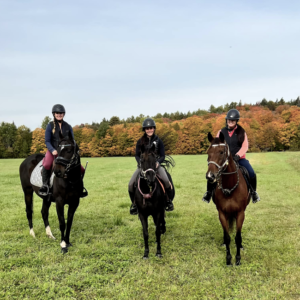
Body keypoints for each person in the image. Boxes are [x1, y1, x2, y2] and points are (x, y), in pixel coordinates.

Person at [202, 108, 260, 204]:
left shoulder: (241, 132)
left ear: (236, 121)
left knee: (251, 172)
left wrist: (238, 155)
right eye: (229, 120)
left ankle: (253, 193)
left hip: (239, 159)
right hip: (224, 159)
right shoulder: (221, 132)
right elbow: (217, 145)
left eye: (233, 120)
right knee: (212, 172)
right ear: (226, 120)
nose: (230, 122)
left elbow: (245, 146)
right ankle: (208, 193)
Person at [38, 104, 88, 198]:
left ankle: (79, 187)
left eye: (61, 113)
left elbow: (72, 140)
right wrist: (52, 150)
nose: (59, 114)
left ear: (63, 114)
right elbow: (47, 141)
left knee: (81, 169)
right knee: (47, 164)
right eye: (57, 113)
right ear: (54, 114)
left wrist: (74, 150)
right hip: (53, 151)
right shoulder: (50, 126)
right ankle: (45, 185)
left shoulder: (68, 126)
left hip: (65, 152)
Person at [128, 118, 174, 215]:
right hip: (143, 167)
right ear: (144, 130)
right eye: (147, 128)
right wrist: (140, 163)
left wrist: (158, 162)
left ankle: (168, 201)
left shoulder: (159, 141)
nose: (149, 130)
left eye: (151, 128)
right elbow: (137, 155)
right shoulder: (140, 141)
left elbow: (163, 156)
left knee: (166, 180)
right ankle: (135, 204)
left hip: (156, 166)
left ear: (154, 128)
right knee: (131, 184)